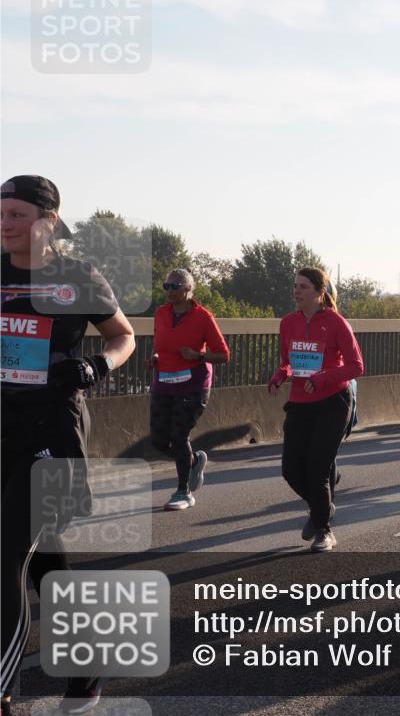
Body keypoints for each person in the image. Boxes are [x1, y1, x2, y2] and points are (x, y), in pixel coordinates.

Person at [2, 175, 136, 714]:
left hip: (53, 431)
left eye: (16, 213)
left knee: (8, 549)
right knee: (43, 563)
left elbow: (121, 334)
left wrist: (97, 364)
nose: (5, 223)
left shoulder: (76, 276)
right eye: (0, 213)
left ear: (48, 219)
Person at [268, 268, 363, 552]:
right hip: (299, 402)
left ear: (320, 293)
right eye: (295, 286)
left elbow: (356, 366)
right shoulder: (288, 323)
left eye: (304, 287)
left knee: (317, 469)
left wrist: (321, 378)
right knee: (291, 469)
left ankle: (323, 529)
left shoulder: (336, 323)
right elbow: (288, 362)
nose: (297, 292)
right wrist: (279, 375)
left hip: (333, 402)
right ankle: (323, 503)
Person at [149, 269, 231, 510]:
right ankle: (193, 461)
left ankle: (183, 491)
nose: (169, 291)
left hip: (193, 384)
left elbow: (224, 355)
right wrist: (154, 356)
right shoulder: (161, 313)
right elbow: (159, 343)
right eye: (166, 285)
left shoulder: (203, 317)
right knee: (158, 440)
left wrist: (198, 355)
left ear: (188, 289)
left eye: (174, 286)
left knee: (178, 435)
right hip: (163, 382)